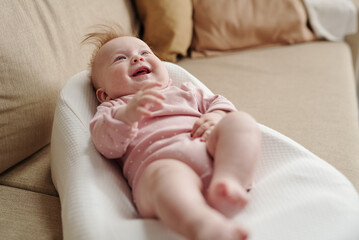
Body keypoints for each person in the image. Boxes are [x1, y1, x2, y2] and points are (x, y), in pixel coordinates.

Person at [85, 26, 261, 240]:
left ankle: (229, 181)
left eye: (144, 53)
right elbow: (105, 143)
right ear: (104, 95)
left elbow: (220, 103)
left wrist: (216, 116)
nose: (136, 59)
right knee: (166, 179)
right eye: (120, 58)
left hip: (211, 152)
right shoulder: (112, 109)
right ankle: (203, 225)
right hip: (163, 167)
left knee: (241, 121)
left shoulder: (186, 91)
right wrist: (128, 115)